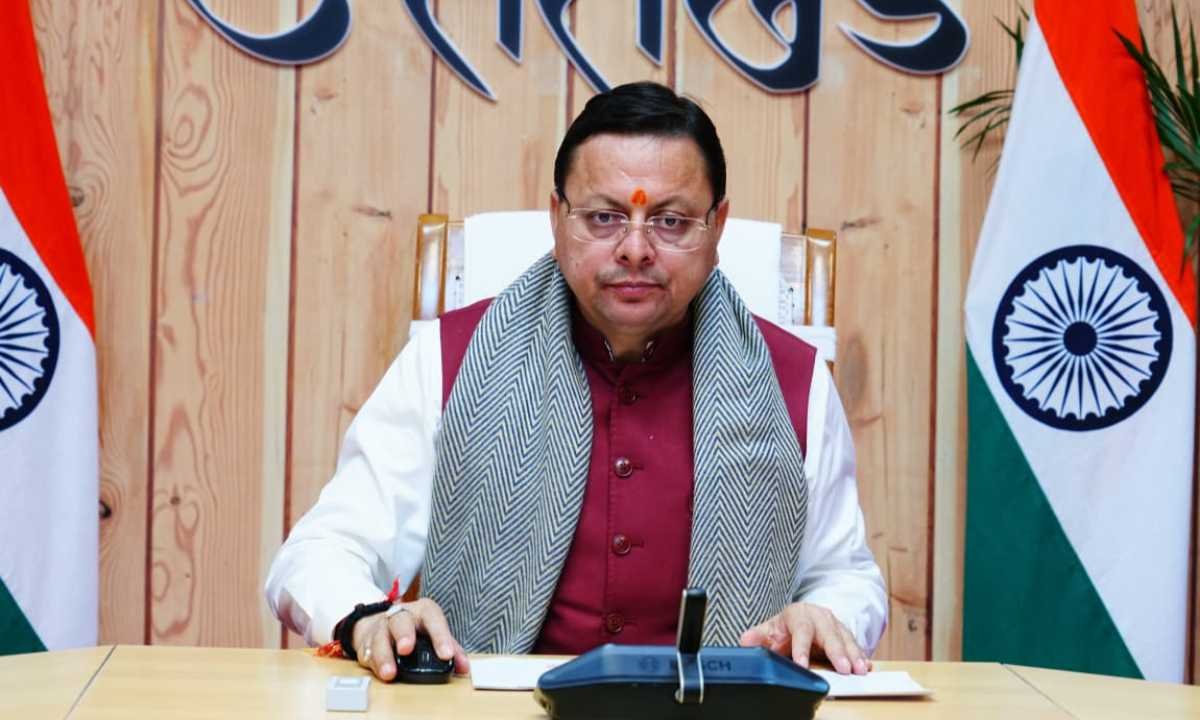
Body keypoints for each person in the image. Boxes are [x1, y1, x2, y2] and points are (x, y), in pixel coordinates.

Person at [266, 81, 886, 682]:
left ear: (716, 227)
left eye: (671, 221)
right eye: (604, 217)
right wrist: (371, 619)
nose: (636, 249)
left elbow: (846, 575)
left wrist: (824, 615)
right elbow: (323, 550)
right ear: (557, 219)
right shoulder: (451, 358)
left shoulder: (792, 379)